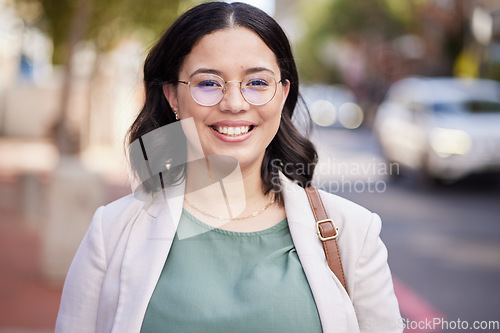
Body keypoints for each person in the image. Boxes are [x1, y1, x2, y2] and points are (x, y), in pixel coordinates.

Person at [55, 2, 402, 332]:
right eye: (208, 83)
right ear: (173, 97)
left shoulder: (353, 232)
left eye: (257, 82)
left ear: (282, 95)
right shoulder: (112, 231)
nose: (234, 103)